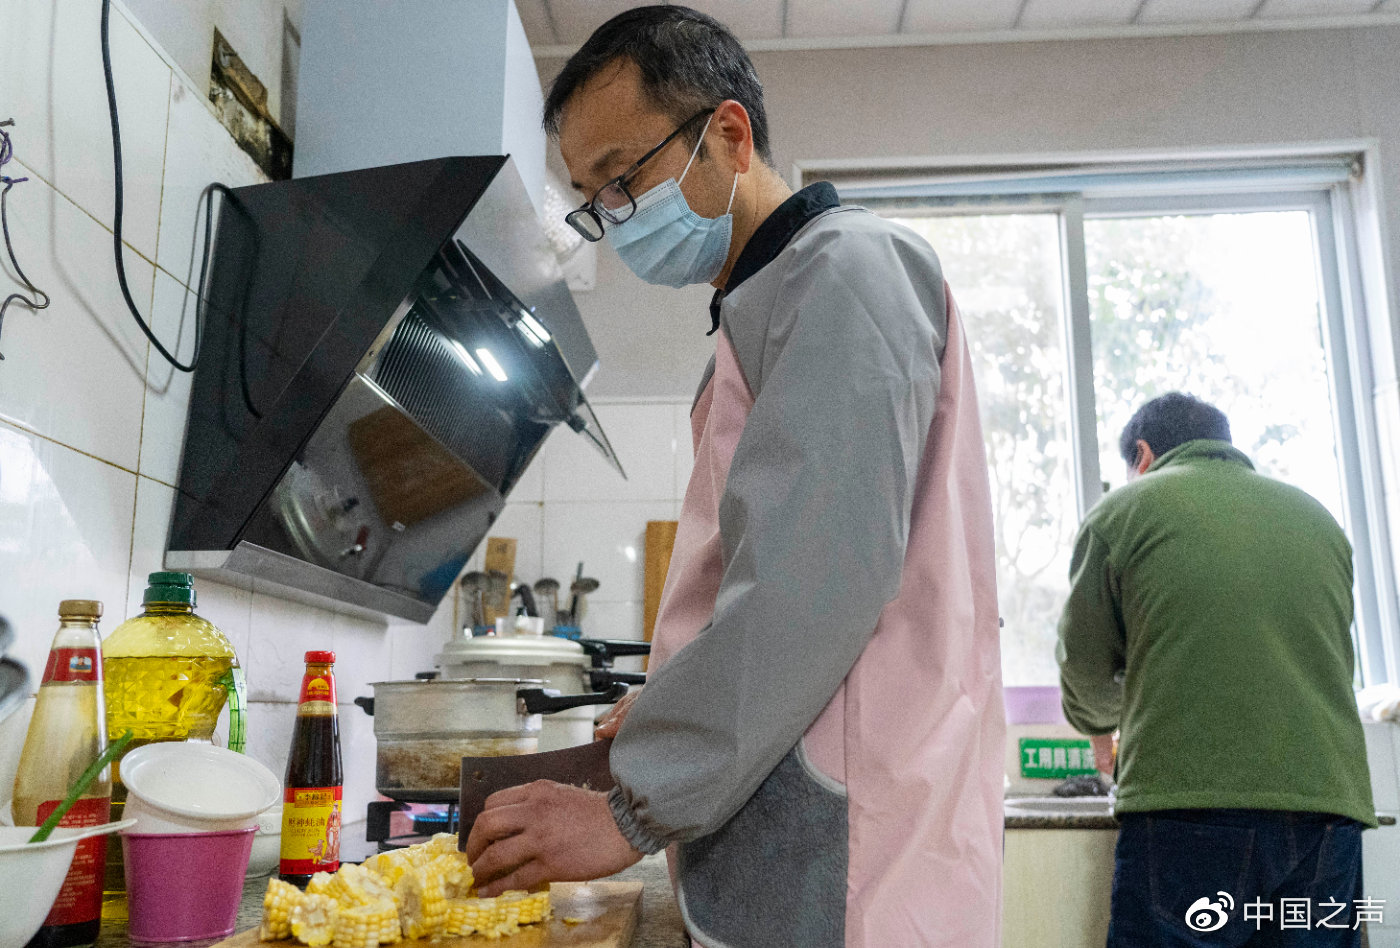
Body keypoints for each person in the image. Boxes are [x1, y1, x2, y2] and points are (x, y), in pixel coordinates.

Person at [464, 6, 1005, 946]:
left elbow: (813, 583)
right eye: (596, 199)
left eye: (624, 177)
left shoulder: (846, 270)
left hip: (852, 866)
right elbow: (763, 574)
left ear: (728, 133)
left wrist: (627, 809)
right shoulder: (758, 317)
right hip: (803, 842)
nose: (617, 219)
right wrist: (672, 697)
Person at [1056, 392, 1377, 947]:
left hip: (1192, 806)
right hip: (1328, 807)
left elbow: (1085, 670)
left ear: (1143, 454)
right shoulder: (1317, 519)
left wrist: (1101, 728)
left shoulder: (1124, 513)